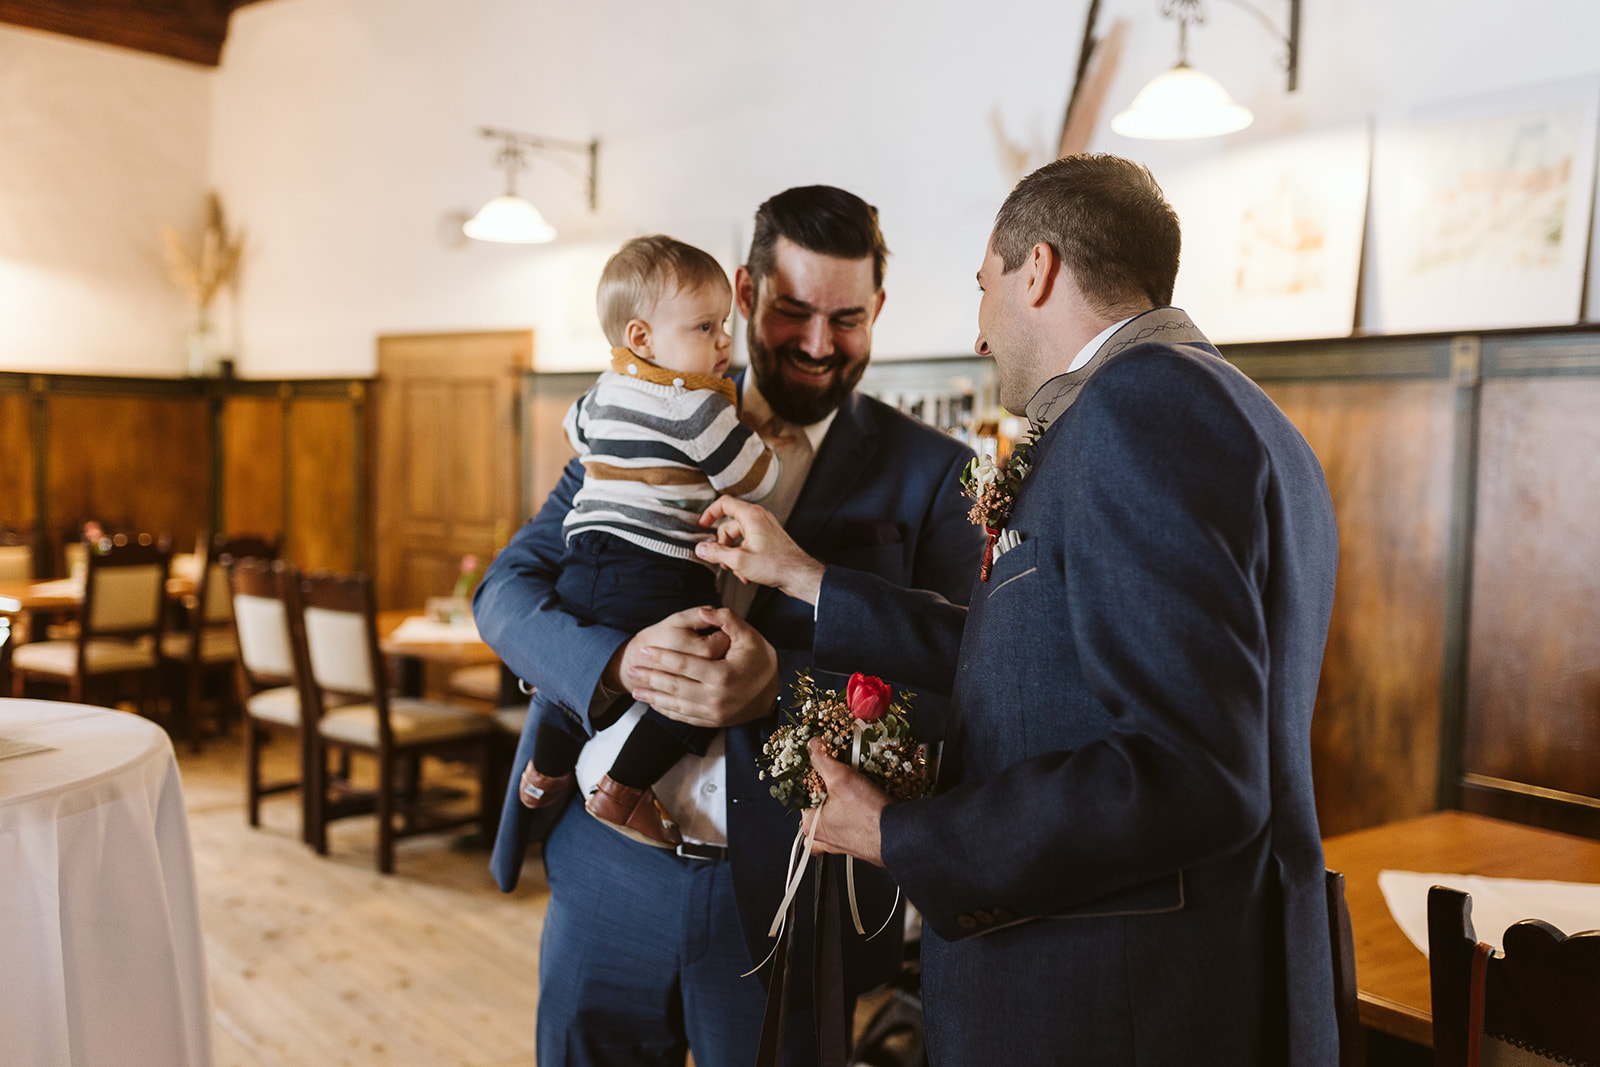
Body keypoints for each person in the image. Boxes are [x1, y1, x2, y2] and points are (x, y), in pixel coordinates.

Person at [700, 154, 1344, 1065]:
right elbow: (1031, 654)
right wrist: (812, 578)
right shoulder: (1237, 412)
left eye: (982, 287)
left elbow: (1188, 770)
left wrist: (895, 832)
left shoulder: (1140, 406)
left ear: (1036, 270)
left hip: (1113, 1002)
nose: (977, 331)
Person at [473, 185, 985, 1066]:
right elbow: (508, 589)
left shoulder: (935, 474)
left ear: (878, 312)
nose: (819, 343)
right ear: (744, 296)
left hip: (788, 887)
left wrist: (778, 686)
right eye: (792, 311)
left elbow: (959, 690)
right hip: (605, 866)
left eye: (847, 318)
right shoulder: (644, 402)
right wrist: (619, 660)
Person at [518, 235, 780, 849]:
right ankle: (625, 787)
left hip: (583, 562)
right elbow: (756, 478)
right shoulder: (696, 407)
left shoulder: (598, 395)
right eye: (705, 327)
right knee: (698, 669)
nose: (723, 342)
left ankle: (544, 772)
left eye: (724, 325)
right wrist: (755, 439)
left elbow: (574, 432)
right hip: (655, 570)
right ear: (642, 338)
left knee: (568, 682)